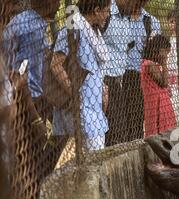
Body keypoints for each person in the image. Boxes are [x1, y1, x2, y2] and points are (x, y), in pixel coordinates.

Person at [51, 0, 111, 151]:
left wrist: (101, 88)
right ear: (97, 10)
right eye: (107, 11)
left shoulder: (94, 33)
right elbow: (55, 64)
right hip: (81, 106)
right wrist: (74, 94)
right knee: (94, 158)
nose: (108, 15)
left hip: (94, 107)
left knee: (97, 155)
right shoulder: (73, 28)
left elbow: (92, 68)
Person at [102, 0, 161, 146]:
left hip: (137, 76)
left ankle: (135, 148)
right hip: (111, 76)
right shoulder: (110, 15)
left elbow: (157, 53)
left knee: (135, 122)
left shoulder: (150, 21)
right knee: (115, 126)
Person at [2, 0, 60, 122]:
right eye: (57, 1)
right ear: (48, 3)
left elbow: (45, 52)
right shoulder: (33, 28)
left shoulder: (32, 19)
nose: (59, 6)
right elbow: (31, 74)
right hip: (19, 90)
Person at [141, 35, 177, 137]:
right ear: (159, 50)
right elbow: (164, 83)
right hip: (157, 104)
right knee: (159, 132)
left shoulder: (153, 63)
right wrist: (164, 64)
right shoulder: (149, 64)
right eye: (166, 52)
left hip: (162, 102)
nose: (167, 56)